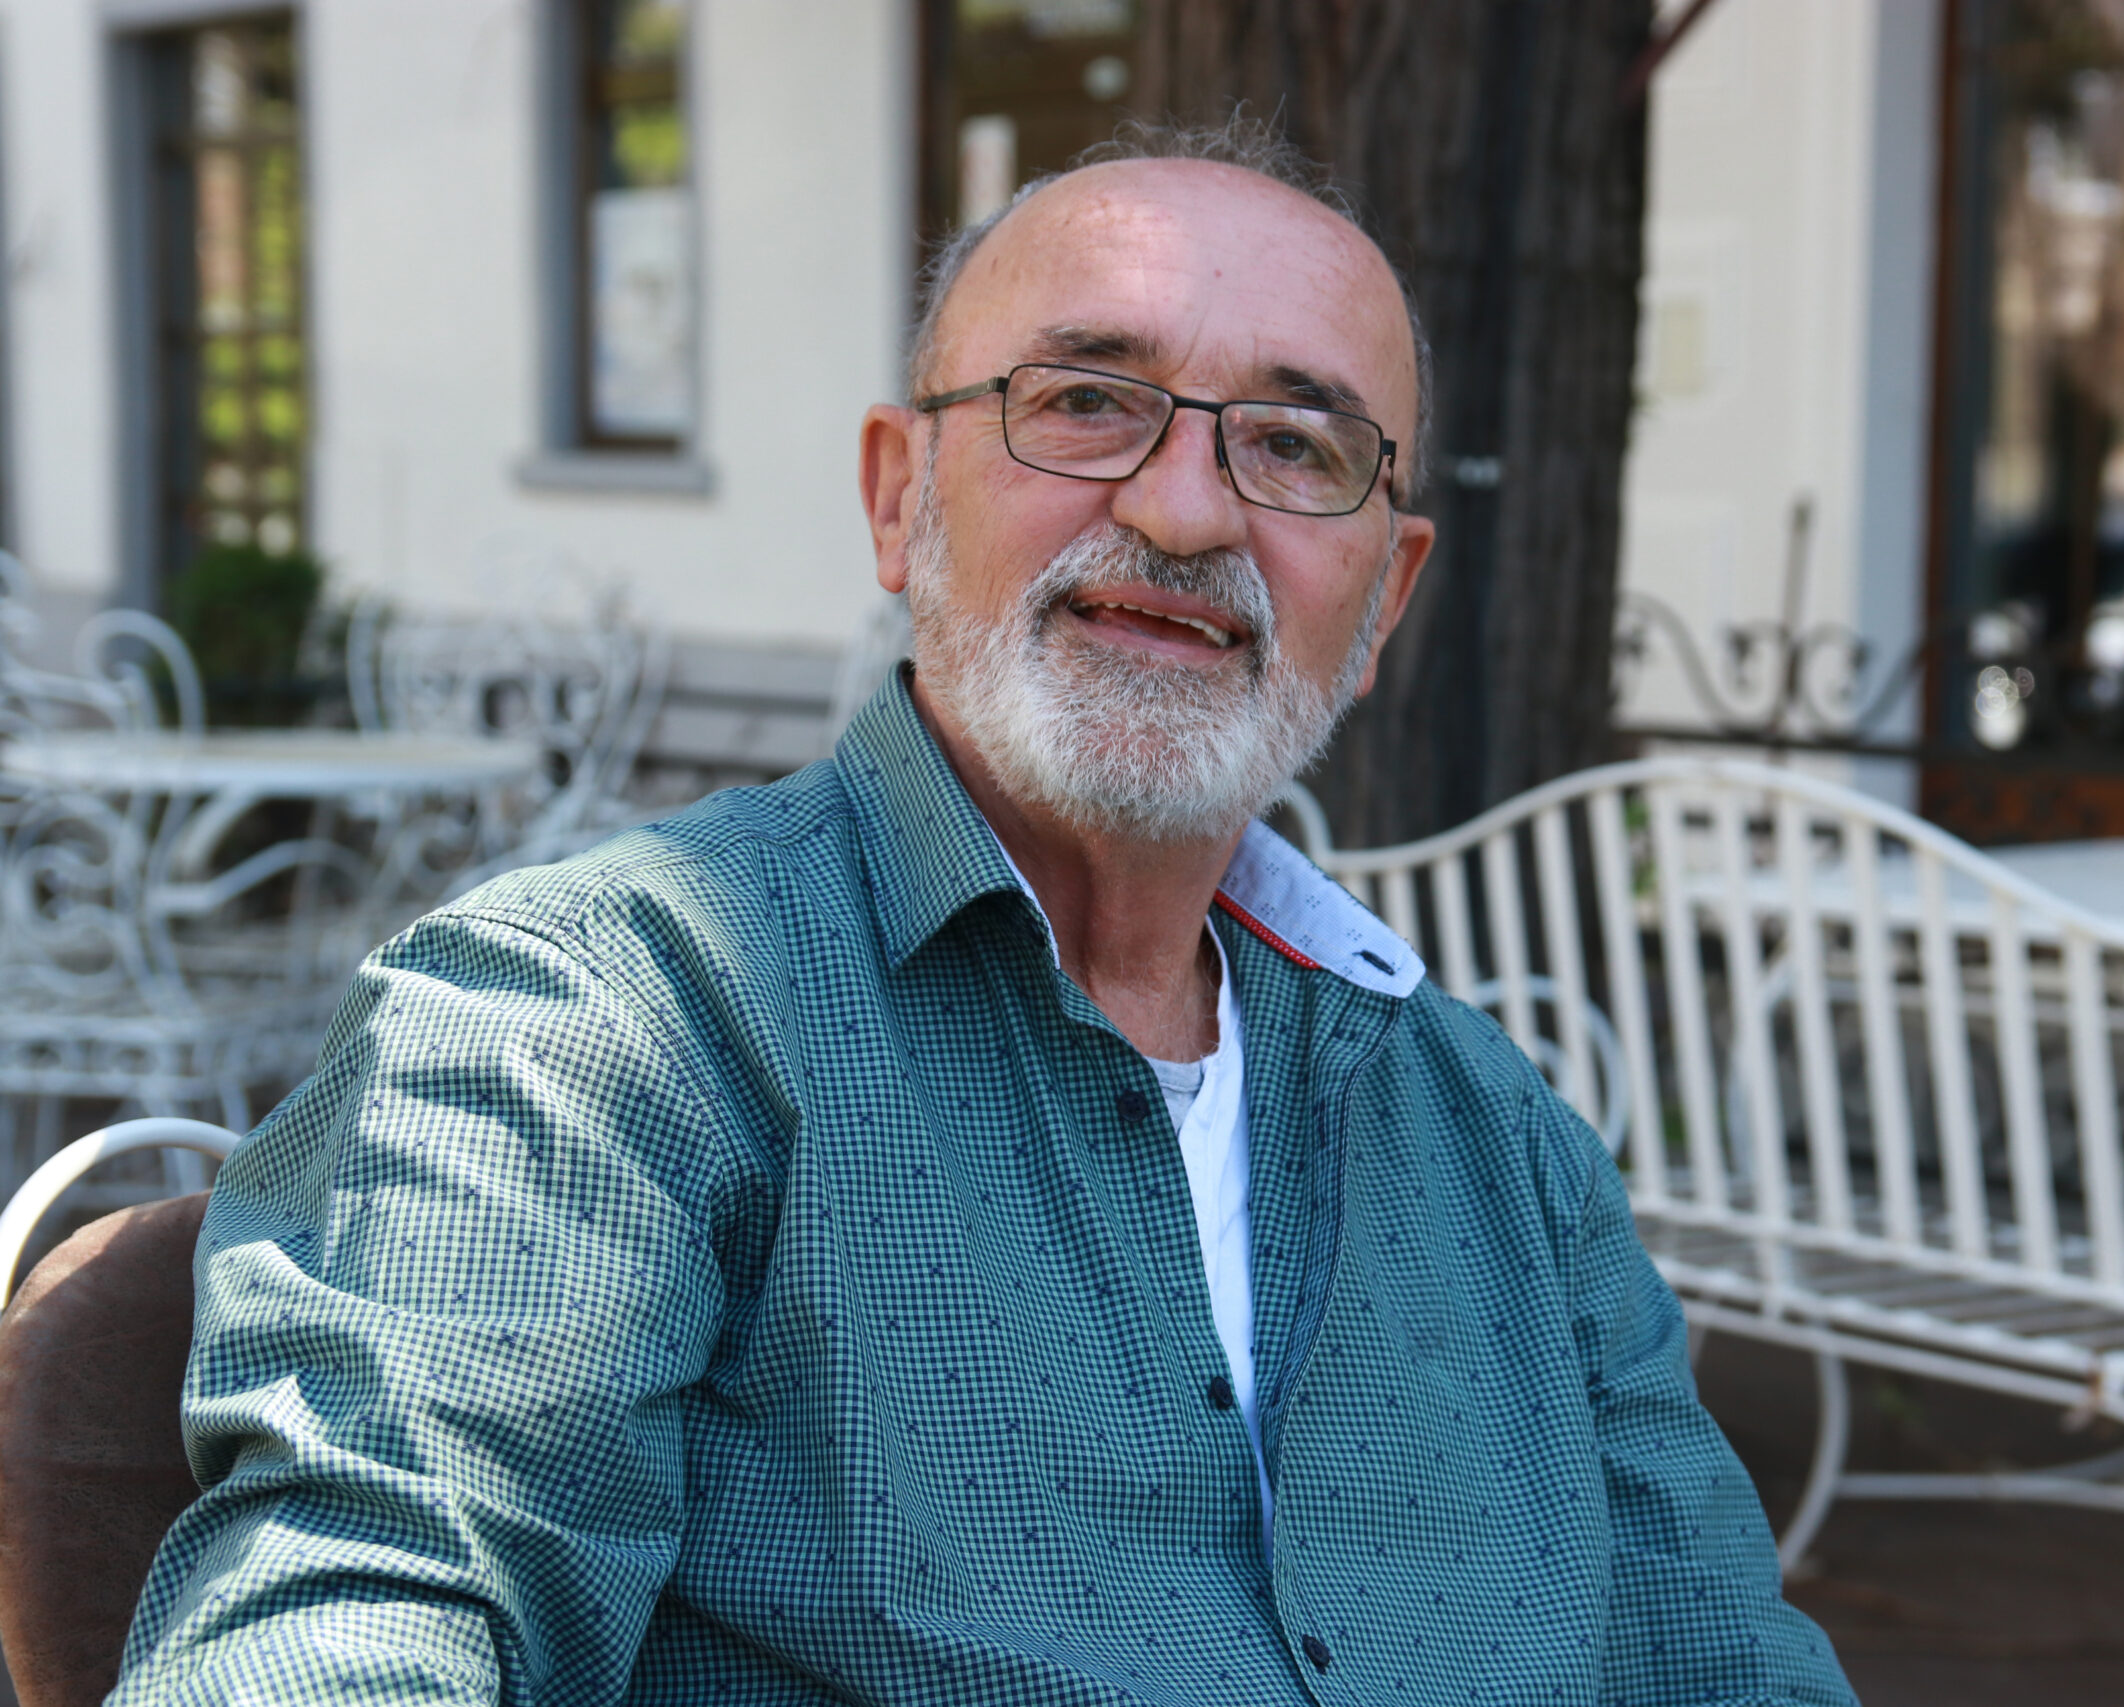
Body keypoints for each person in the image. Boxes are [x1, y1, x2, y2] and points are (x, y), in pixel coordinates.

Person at [111, 121, 1856, 1706]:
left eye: (1296, 443)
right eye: (1085, 401)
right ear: (897, 494)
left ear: (1382, 594)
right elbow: (351, 1627)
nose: (1183, 508)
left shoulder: (1499, 1145)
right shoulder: (603, 1035)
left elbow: (1728, 1669)